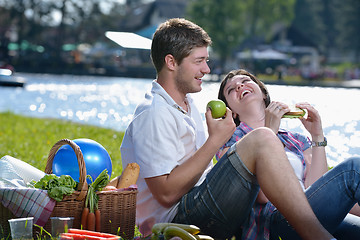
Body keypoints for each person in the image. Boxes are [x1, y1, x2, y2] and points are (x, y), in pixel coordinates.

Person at [120, 18, 335, 240]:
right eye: (199, 61)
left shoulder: (187, 105)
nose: (207, 69)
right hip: (177, 221)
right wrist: (215, 141)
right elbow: (166, 194)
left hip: (201, 204)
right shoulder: (155, 113)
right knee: (261, 137)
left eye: (206, 60)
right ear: (171, 62)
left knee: (351, 172)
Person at [217, 68, 360, 240]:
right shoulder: (230, 143)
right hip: (275, 222)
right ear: (231, 110)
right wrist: (269, 131)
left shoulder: (296, 139)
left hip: (312, 215)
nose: (239, 86)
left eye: (245, 81)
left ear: (263, 93)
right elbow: (262, 196)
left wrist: (317, 135)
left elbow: (315, 186)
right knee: (353, 169)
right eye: (231, 90)